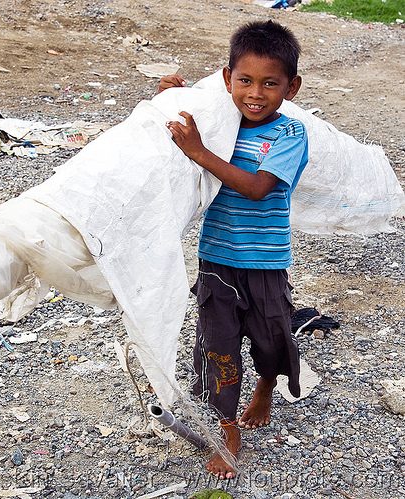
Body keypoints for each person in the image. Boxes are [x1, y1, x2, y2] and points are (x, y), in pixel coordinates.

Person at [158, 20, 307, 480]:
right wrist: (172, 97)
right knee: (216, 348)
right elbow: (173, 128)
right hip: (217, 261)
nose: (255, 93)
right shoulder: (219, 118)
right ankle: (225, 426)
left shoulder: (290, 135)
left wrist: (200, 152)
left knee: (270, 339)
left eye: (270, 83)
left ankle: (265, 385)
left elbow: (258, 188)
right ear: (227, 79)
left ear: (292, 87)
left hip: (265, 263)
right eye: (244, 80)